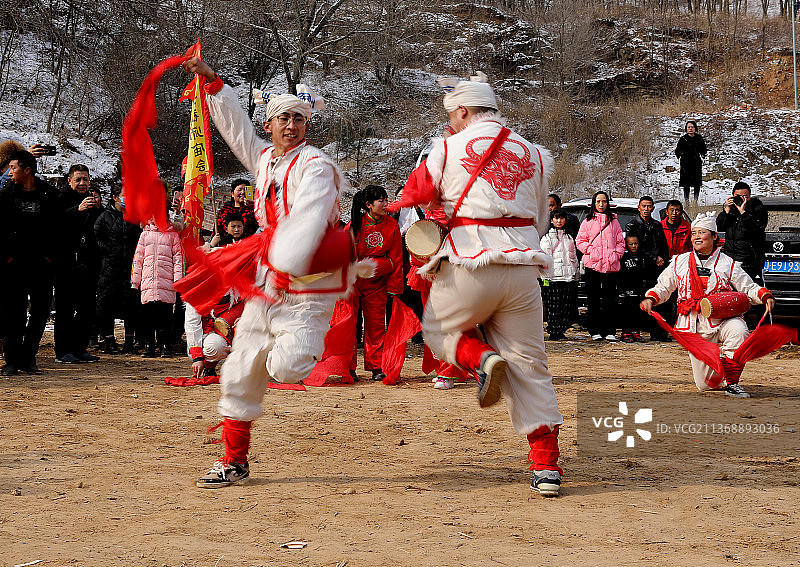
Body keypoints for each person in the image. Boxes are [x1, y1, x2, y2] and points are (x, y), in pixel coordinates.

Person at [386, 73, 564, 496]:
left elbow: (412, 196)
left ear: (463, 111)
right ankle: (546, 468)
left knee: (436, 329)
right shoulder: (535, 153)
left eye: (451, 115)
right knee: (531, 366)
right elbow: (540, 219)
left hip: (470, 260)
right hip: (522, 266)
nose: (449, 123)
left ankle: (481, 359)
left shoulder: (446, 148)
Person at [183, 55, 351, 488]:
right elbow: (238, 130)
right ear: (272, 124)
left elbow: (310, 221)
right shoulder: (265, 161)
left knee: (289, 367)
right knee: (240, 370)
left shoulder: (317, 166)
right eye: (282, 118)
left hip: (309, 281)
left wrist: (282, 268)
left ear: (306, 125)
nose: (290, 126)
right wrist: (214, 85)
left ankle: (288, 356)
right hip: (266, 280)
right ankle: (233, 459)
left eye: (298, 118)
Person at [641, 213, 775, 398]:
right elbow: (664, 286)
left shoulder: (728, 263)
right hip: (693, 323)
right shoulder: (679, 262)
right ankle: (723, 365)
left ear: (714, 237)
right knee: (706, 385)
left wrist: (764, 295)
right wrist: (651, 298)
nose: (696, 236)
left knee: (739, 332)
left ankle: (732, 382)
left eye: (701, 232)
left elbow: (749, 287)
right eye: (693, 232)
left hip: (724, 318)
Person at [0, 150, 58, 375]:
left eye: (13, 168)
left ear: (27, 170)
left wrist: (50, 257)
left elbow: (57, 228)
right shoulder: (5, 195)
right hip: (13, 265)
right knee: (13, 312)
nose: (9, 172)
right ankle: (12, 360)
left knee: (41, 311)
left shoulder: (48, 195)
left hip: (41, 265)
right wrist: (6, 256)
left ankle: (28, 356)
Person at [345, 185, 403, 381]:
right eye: (381, 200)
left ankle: (376, 366)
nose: (385, 204)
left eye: (386, 199)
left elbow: (396, 257)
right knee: (349, 326)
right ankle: (348, 366)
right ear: (368, 205)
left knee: (376, 326)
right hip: (353, 284)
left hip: (377, 283)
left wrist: (395, 288)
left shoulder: (392, 225)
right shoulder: (354, 226)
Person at [54, 164, 103, 363]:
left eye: (85, 179)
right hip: (66, 261)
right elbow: (53, 222)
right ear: (69, 181)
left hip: (88, 261)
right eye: (78, 180)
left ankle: (80, 348)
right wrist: (77, 209)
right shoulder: (60, 198)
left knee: (87, 307)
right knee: (65, 307)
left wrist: (97, 209)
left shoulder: (92, 198)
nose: (82, 183)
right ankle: (62, 350)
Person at [94, 185, 143, 354]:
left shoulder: (135, 217)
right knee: (106, 305)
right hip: (109, 268)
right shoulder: (104, 217)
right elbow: (96, 237)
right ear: (115, 197)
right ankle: (109, 340)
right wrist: (107, 250)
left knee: (131, 305)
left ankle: (129, 340)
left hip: (129, 268)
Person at [131, 219, 184, 358]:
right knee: (147, 316)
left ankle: (165, 345)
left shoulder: (172, 234)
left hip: (166, 282)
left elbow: (178, 258)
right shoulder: (145, 234)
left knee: (165, 316)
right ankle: (149, 345)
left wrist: (178, 279)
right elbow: (138, 258)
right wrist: (135, 281)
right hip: (148, 282)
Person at [576, 190, 624, 341]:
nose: (601, 204)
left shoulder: (614, 222)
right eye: (598, 202)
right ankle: (594, 331)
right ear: (594, 203)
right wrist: (591, 251)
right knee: (593, 299)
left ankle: (610, 331)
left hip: (610, 266)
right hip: (593, 266)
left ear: (607, 203)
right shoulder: (588, 221)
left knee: (610, 299)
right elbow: (580, 241)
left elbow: (620, 242)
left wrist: (615, 255)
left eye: (604, 201)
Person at [625, 195, 670, 341]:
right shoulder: (632, 225)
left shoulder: (657, 225)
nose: (646, 209)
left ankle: (659, 333)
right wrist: (653, 258)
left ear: (653, 208)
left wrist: (663, 258)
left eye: (649, 206)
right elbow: (634, 246)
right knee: (637, 301)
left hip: (657, 268)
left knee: (658, 300)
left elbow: (663, 244)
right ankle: (634, 331)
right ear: (639, 208)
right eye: (643, 206)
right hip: (639, 268)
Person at [716, 181, 768, 285]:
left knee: (749, 291)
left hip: (749, 261)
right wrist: (726, 210)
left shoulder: (758, 210)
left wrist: (743, 212)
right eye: (738, 196)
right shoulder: (731, 211)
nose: (742, 199)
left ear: (750, 196)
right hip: (730, 259)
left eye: (745, 196)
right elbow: (719, 226)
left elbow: (755, 229)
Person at [539, 209, 579, 341]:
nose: (559, 221)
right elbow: (544, 259)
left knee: (565, 306)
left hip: (567, 278)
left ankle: (561, 330)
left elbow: (573, 258)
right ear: (551, 220)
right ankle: (553, 331)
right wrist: (545, 277)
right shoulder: (546, 238)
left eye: (561, 218)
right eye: (556, 218)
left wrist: (575, 274)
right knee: (553, 306)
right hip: (553, 278)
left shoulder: (569, 237)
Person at [184, 292, 242, 379]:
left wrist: (246, 318)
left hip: (238, 328)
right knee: (213, 347)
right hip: (209, 333)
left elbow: (254, 305)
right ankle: (209, 367)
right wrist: (197, 358)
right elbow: (192, 324)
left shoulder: (241, 283)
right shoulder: (196, 290)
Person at [618, 235, 649, 343]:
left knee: (637, 311)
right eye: (631, 244)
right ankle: (625, 333)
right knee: (626, 312)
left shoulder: (642, 258)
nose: (634, 246)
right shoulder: (623, 259)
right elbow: (620, 275)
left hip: (639, 289)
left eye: (636, 243)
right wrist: (621, 291)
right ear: (626, 245)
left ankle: (636, 332)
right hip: (626, 290)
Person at [675, 119, 707, 203]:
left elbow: (703, 149)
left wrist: (702, 153)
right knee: (686, 183)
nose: (690, 129)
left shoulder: (699, 138)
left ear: (695, 128)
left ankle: (695, 201)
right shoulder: (683, 139)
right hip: (686, 164)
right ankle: (686, 201)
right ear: (686, 128)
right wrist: (681, 154)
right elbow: (677, 150)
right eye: (689, 127)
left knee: (697, 183)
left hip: (696, 163)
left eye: (692, 127)